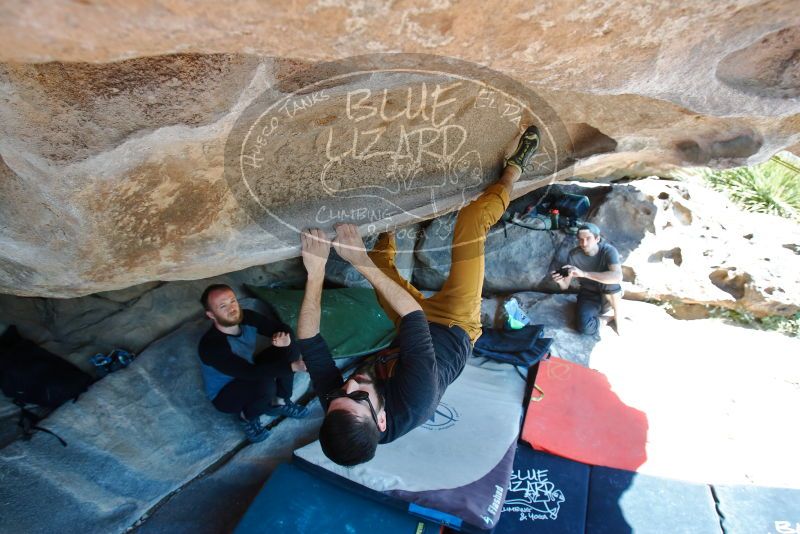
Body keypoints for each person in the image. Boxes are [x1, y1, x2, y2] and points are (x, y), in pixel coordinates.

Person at [296, 125, 542, 466]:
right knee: (471, 223)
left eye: (340, 396)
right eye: (357, 396)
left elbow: (310, 343)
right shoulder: (417, 398)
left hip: (408, 331)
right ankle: (515, 170)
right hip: (454, 324)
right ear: (381, 421)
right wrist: (358, 260)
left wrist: (316, 270)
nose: (349, 384)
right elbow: (413, 316)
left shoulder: (344, 408)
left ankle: (392, 219)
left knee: (382, 261)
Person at [197, 284, 309, 443]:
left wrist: (283, 338)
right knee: (265, 385)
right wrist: (293, 367)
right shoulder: (212, 346)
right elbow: (250, 373)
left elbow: (281, 328)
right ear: (211, 314)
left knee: (290, 347)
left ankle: (280, 401)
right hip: (225, 394)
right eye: (223, 306)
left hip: (249, 368)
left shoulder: (246, 317)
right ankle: (247, 417)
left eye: (233, 301)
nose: (232, 308)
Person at [550, 223, 623, 335]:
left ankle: (619, 318)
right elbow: (565, 286)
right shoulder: (574, 255)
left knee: (610, 282)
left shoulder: (608, 251)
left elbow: (617, 277)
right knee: (584, 327)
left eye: (588, 239)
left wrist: (584, 274)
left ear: (597, 238)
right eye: (580, 240)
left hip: (609, 294)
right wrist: (560, 281)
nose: (584, 243)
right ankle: (608, 318)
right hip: (589, 294)